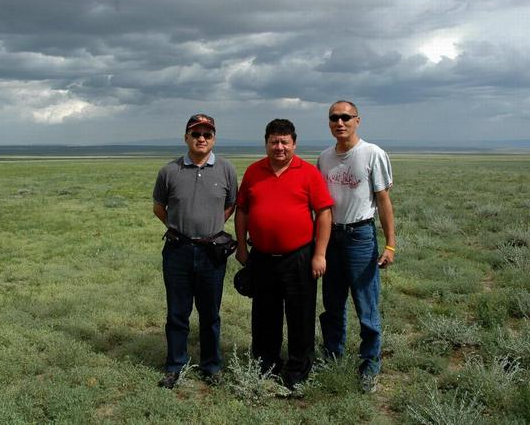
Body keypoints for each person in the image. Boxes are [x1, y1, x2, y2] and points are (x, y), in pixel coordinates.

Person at [235, 119, 333, 389]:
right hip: (262, 257)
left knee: (300, 315)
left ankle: (298, 370)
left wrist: (319, 254)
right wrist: (242, 247)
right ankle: (266, 364)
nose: (279, 147)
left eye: (284, 142)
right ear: (266, 143)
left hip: (299, 256)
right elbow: (242, 210)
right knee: (264, 314)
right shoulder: (254, 171)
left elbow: (324, 213)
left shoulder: (309, 172)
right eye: (274, 141)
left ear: (294, 144)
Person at [153, 113, 238, 389]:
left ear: (214, 138)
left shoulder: (226, 170)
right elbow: (159, 207)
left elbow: (229, 206)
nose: (202, 139)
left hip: (211, 252)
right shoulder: (169, 171)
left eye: (207, 134)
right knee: (177, 312)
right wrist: (178, 228)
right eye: (196, 134)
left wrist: (211, 228)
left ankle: (211, 366)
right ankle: (175, 365)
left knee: (210, 313)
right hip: (177, 251)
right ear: (186, 137)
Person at [317, 100, 396, 393]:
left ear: (357, 120)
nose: (340, 122)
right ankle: (333, 356)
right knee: (332, 304)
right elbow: (320, 206)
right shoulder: (324, 158)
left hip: (360, 237)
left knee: (366, 305)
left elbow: (384, 201)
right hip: (331, 237)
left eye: (346, 117)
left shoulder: (372, 154)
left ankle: (369, 366)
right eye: (334, 118)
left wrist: (390, 245)